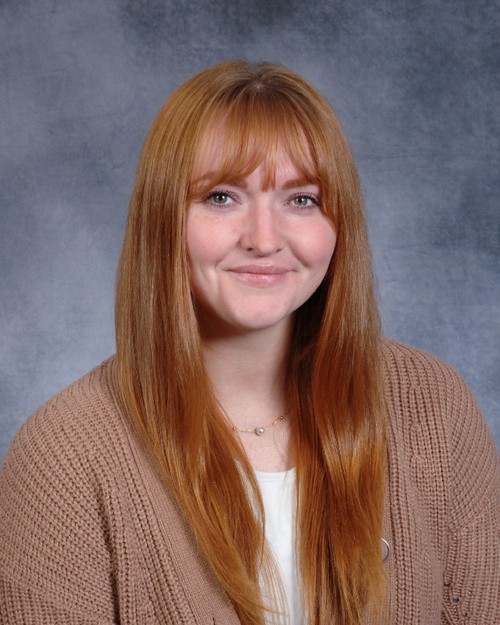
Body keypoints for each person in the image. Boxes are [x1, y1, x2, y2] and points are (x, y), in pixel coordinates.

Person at [0, 61, 498, 625]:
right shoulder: (63, 456)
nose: (264, 239)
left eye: (301, 199)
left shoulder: (433, 407)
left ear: (339, 224)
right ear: (163, 217)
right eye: (221, 197)